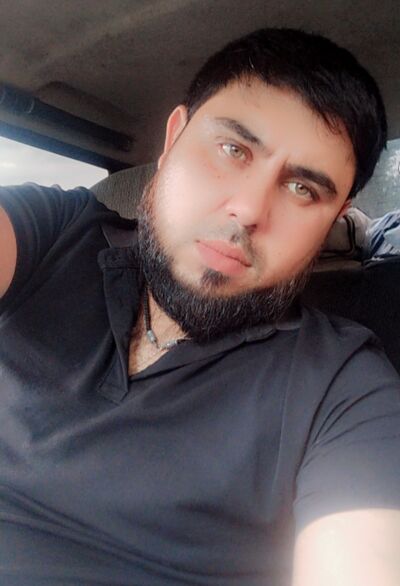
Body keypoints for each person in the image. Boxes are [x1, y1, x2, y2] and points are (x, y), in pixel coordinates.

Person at [0, 27, 399, 586]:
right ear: (173, 138)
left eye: (303, 189)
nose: (249, 209)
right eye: (233, 150)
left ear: (334, 218)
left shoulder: (344, 388)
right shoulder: (52, 234)